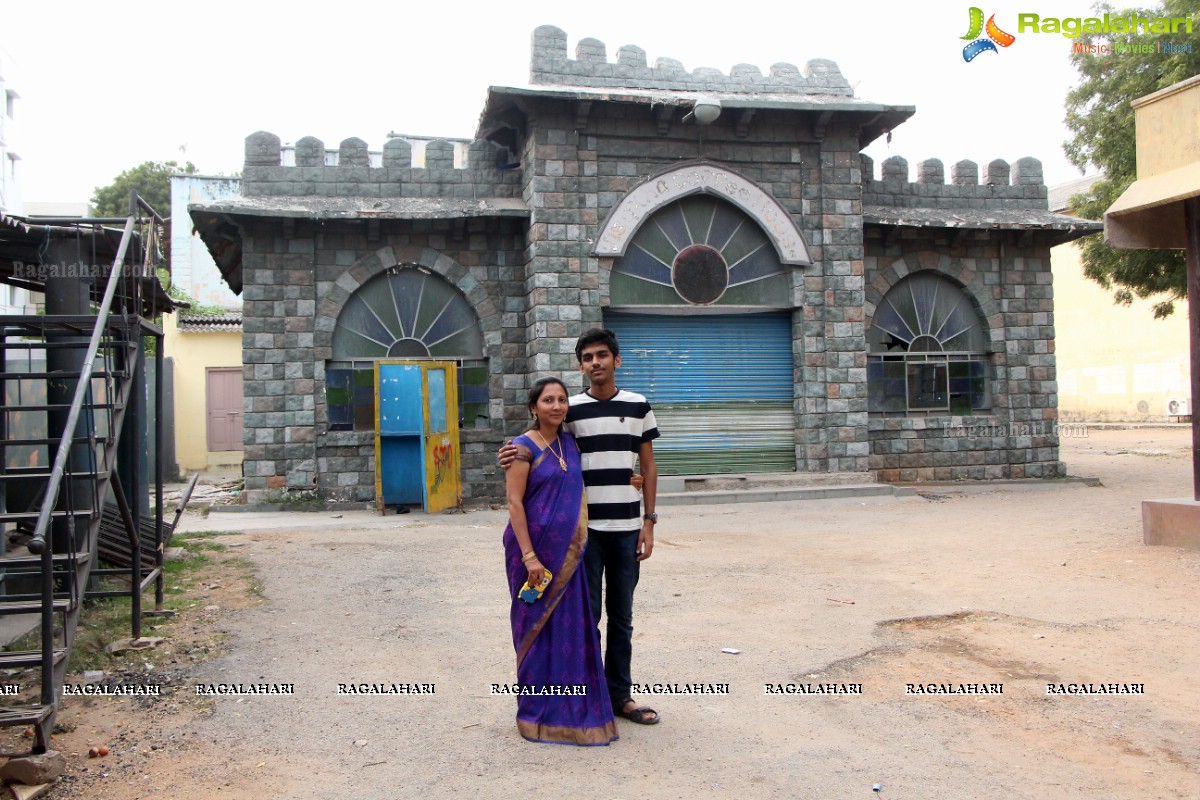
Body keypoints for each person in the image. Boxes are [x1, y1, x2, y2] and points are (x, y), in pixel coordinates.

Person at [502, 329, 661, 726]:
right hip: (582, 535)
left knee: (622, 616)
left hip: (626, 527)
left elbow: (649, 465)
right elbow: (541, 439)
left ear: (616, 360)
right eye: (588, 357)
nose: (595, 362)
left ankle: (620, 695)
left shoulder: (639, 405)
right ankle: (589, 697)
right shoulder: (569, 408)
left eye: (602, 355)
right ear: (580, 365)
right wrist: (511, 450)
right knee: (585, 617)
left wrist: (649, 520)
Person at [502, 376, 618, 746]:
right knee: (534, 630)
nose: (556, 406)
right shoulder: (521, 448)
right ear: (534, 407)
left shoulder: (571, 443)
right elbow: (514, 502)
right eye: (548, 400)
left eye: (562, 400)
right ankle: (535, 714)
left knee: (571, 629)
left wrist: (628, 481)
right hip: (532, 556)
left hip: (570, 554)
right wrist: (530, 556)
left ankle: (571, 710)